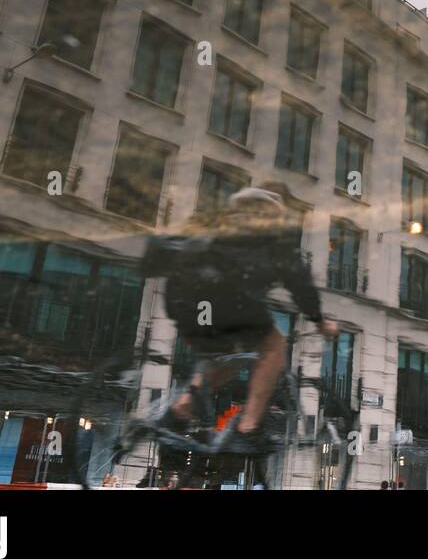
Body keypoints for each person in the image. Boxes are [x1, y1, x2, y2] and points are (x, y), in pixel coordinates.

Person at [144, 182, 338, 454]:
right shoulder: (271, 223)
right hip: (220, 295)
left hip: (180, 299)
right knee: (274, 345)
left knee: (229, 360)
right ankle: (247, 429)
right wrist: (319, 320)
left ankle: (177, 413)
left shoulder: (222, 215)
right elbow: (298, 280)